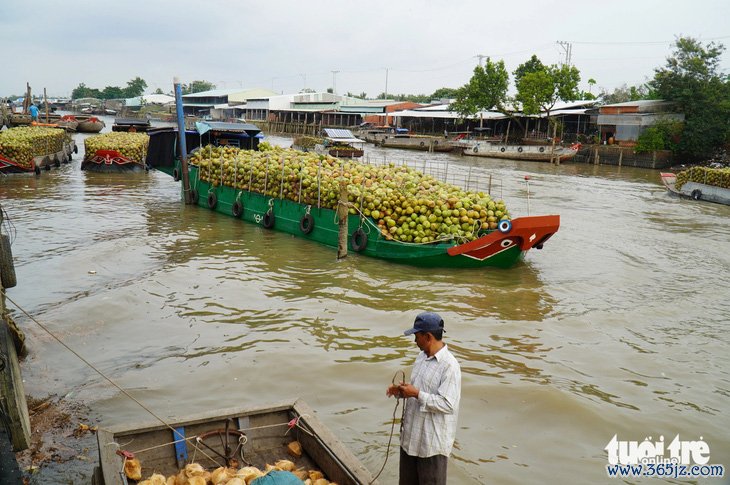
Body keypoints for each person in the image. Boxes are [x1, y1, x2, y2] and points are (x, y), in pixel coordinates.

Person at [386, 311, 461, 485]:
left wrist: (417, 393)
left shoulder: (450, 366)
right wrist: (401, 391)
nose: (415, 340)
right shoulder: (421, 358)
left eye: (417, 336)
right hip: (411, 440)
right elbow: (417, 391)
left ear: (428, 337)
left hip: (431, 446)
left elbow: (448, 404)